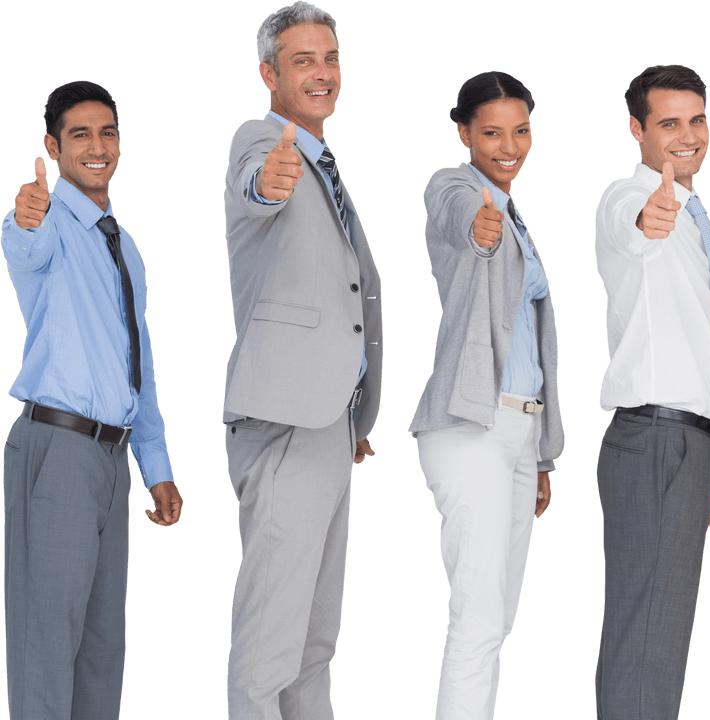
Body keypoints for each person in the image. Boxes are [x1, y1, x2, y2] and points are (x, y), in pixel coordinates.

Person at [0, 79, 182, 719]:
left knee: (103, 647)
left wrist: (155, 465)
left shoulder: (123, 243)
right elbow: (23, 244)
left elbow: (137, 363)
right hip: (58, 449)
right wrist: (24, 216)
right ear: (53, 147)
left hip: (112, 459)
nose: (97, 146)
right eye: (79, 134)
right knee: (45, 643)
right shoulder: (46, 220)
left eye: (107, 132)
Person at [221, 2, 383, 717]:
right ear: (268, 74)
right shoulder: (261, 141)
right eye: (302, 61)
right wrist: (271, 182)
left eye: (330, 58)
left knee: (315, 647)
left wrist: (357, 413)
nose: (322, 73)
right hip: (287, 422)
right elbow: (256, 184)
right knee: (270, 646)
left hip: (331, 428)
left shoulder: (328, 165)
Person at [407, 69, 564, 720]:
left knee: (496, 622)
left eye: (521, 131)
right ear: (463, 132)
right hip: (471, 426)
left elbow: (531, 339)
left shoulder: (518, 215)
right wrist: (478, 224)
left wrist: (542, 454)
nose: (509, 146)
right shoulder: (455, 186)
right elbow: (456, 218)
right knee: (476, 619)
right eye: (492, 132)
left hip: (518, 434)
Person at [592, 63, 710, 720]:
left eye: (697, 120)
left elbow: (695, 342)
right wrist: (655, 210)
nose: (688, 135)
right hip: (654, 439)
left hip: (689, 442)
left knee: (665, 635)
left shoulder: (694, 214)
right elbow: (637, 227)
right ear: (637, 130)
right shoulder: (628, 200)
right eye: (668, 123)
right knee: (645, 637)